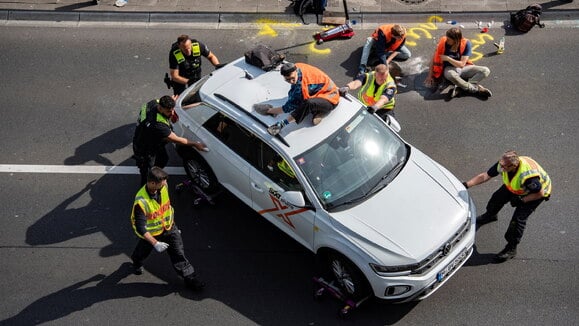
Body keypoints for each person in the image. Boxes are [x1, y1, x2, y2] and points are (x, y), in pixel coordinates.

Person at [462, 151, 552, 262]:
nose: (501, 168)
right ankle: (490, 215)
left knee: (517, 221)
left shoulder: (528, 176)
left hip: (534, 194)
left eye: (504, 167)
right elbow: (485, 175)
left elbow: (540, 193)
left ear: (513, 166)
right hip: (518, 186)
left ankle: (511, 249)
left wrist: (521, 200)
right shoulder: (504, 164)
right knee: (496, 199)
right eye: (501, 164)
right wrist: (466, 185)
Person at [129, 167, 205, 290]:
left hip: (169, 228)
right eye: (162, 182)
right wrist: (155, 243)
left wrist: (172, 225)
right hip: (152, 234)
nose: (165, 184)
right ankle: (136, 261)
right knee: (142, 252)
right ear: (153, 183)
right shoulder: (141, 202)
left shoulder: (163, 187)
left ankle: (190, 278)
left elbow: (166, 208)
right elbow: (141, 228)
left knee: (178, 252)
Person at [132, 95, 208, 186]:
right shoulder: (157, 124)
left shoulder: (154, 103)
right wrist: (195, 144)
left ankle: (156, 174)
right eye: (169, 111)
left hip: (149, 140)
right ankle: (148, 189)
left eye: (172, 109)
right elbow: (176, 139)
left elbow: (173, 107)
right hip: (145, 150)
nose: (172, 113)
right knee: (148, 174)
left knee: (163, 159)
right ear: (160, 108)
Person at [255, 62, 340, 136]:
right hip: (324, 92)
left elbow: (288, 108)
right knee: (298, 98)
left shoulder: (301, 88)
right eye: (287, 80)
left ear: (295, 71)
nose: (291, 82)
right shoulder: (298, 66)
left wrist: (269, 111)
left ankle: (282, 124)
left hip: (331, 99)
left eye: (292, 78)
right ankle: (318, 111)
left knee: (308, 103)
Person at [424, 27, 493, 98]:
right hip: (449, 69)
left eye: (449, 39)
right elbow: (433, 59)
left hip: (464, 67)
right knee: (451, 75)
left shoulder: (466, 43)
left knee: (485, 71)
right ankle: (475, 89)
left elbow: (462, 65)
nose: (447, 41)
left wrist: (448, 59)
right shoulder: (443, 42)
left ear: (456, 40)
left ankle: (461, 87)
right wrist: (430, 76)